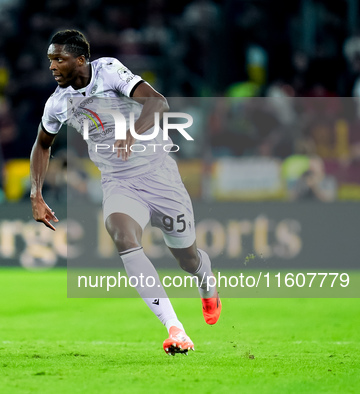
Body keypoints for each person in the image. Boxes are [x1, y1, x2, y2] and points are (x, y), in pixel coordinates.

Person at [30, 30, 221, 356]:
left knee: (187, 259)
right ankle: (175, 329)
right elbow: (42, 145)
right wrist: (36, 194)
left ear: (80, 60)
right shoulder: (57, 103)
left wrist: (132, 132)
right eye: (50, 59)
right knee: (122, 234)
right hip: (119, 182)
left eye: (58, 59)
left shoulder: (108, 70)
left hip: (160, 175)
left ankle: (206, 279)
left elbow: (157, 102)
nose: (52, 66)